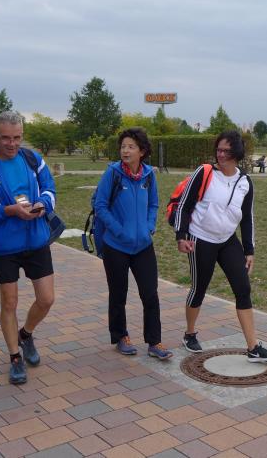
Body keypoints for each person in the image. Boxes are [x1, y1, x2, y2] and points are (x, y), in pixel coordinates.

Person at [171, 130, 267, 362]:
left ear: (236, 153)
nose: (220, 154)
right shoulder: (205, 172)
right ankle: (190, 333)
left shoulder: (245, 182)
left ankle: (253, 347)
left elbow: (247, 218)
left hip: (228, 240)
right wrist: (181, 236)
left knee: (243, 288)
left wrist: (249, 250)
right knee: (199, 288)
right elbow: (184, 206)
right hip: (200, 238)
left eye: (226, 151)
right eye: (218, 150)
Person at [0, 111, 57, 385]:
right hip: (5, 246)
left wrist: (42, 204)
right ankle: (15, 357)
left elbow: (50, 189)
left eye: (17, 137)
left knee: (47, 299)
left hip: (36, 240)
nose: (12, 143)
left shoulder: (33, 159)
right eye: (6, 138)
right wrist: (9, 211)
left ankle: (26, 335)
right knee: (9, 303)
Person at [94, 127, 173, 360]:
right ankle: (121, 336)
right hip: (116, 245)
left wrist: (149, 226)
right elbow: (100, 206)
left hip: (143, 246)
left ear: (142, 151)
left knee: (150, 294)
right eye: (123, 146)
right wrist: (118, 230)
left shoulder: (149, 175)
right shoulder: (113, 173)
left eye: (131, 147)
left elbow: (154, 204)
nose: (125, 151)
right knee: (118, 294)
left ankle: (154, 342)